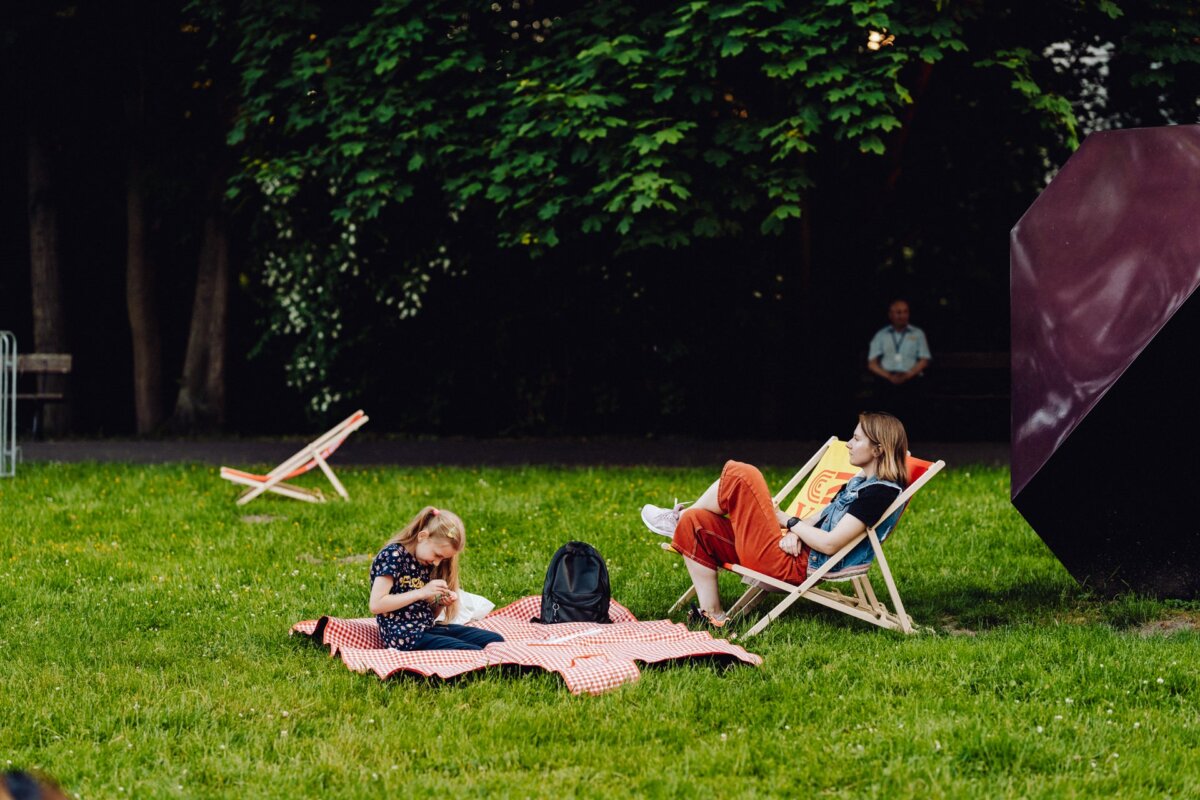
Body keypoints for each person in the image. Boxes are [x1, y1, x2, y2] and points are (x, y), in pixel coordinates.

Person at [640, 413, 909, 628]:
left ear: (878, 450)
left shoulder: (879, 493)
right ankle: (714, 616)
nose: (849, 444)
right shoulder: (859, 482)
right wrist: (793, 530)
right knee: (697, 521)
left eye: (857, 439)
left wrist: (788, 522)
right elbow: (818, 518)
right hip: (787, 550)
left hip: (795, 566)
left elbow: (829, 544)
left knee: (743, 475)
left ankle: (676, 520)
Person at [369, 506, 504, 651]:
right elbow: (376, 605)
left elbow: (428, 616)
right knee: (471, 650)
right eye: (437, 555)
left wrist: (440, 602)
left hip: (427, 629)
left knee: (494, 640)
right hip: (402, 636)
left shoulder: (425, 561)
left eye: (443, 559)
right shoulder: (393, 556)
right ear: (422, 536)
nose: (437, 562)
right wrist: (422, 592)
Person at [867, 299, 931, 387]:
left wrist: (907, 376)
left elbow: (924, 361)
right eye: (898, 312)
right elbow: (872, 364)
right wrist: (889, 377)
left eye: (905, 312)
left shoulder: (918, 334)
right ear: (890, 315)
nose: (903, 316)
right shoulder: (881, 335)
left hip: (911, 378)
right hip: (886, 378)